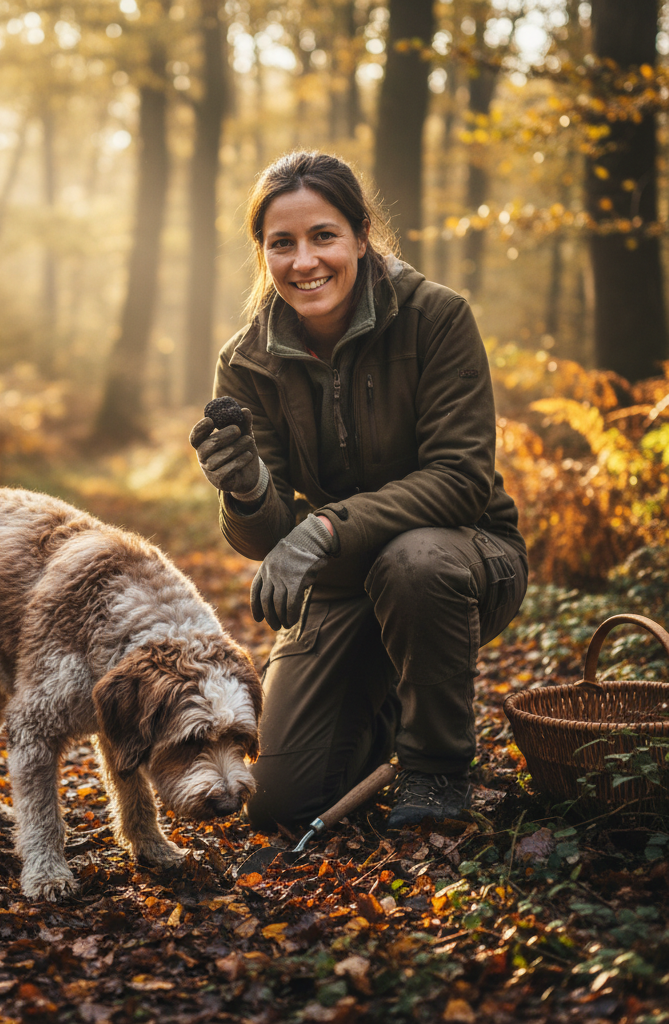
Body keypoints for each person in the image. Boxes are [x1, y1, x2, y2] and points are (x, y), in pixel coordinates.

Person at [189, 151, 528, 832]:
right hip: (344, 582)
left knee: (415, 561)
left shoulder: (436, 318)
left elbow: (461, 481)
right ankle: (385, 713)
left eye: (323, 236)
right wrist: (250, 488)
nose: (304, 260)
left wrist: (321, 530)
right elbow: (264, 537)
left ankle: (435, 769)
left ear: (360, 235)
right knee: (279, 803)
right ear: (263, 253)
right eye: (281, 243)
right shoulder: (246, 359)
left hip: (464, 560)